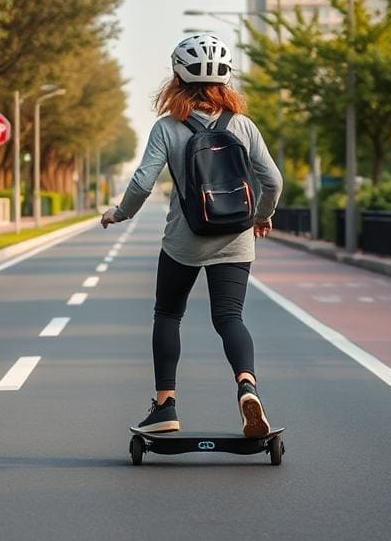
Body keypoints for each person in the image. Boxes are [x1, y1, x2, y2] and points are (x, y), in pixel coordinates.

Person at [101, 34, 282, 437]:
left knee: (168, 314)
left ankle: (166, 406)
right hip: (235, 238)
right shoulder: (243, 126)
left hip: (184, 240)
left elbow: (143, 181)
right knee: (230, 317)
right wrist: (261, 216)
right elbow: (273, 180)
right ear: (226, 78)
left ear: (176, 79)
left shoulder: (167, 128)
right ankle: (247, 386)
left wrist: (120, 213)